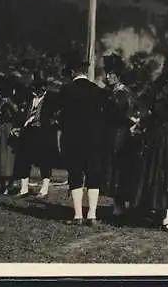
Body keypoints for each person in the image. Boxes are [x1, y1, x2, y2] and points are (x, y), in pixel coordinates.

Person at [131, 58, 168, 232]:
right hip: (163, 135)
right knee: (164, 173)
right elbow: (155, 113)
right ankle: (165, 217)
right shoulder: (161, 92)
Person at [53, 56, 111, 226]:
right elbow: (107, 114)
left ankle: (78, 215)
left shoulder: (66, 90)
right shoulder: (98, 90)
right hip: (95, 139)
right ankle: (92, 215)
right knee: (94, 174)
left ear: (72, 72)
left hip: (73, 138)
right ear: (85, 72)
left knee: (75, 174)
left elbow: (58, 114)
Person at [101, 54, 138, 224]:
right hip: (112, 134)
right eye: (107, 73)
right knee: (114, 169)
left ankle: (121, 205)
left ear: (118, 76)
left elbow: (126, 115)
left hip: (122, 135)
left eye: (111, 74)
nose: (107, 77)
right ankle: (118, 203)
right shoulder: (112, 93)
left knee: (119, 169)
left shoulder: (123, 93)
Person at [13, 75, 59, 199]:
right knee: (23, 159)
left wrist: (52, 122)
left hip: (43, 132)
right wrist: (18, 126)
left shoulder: (51, 99)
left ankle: (44, 190)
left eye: (42, 88)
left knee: (45, 160)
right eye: (37, 88)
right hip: (28, 131)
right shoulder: (30, 99)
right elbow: (22, 114)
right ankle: (24, 189)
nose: (39, 90)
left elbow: (58, 113)